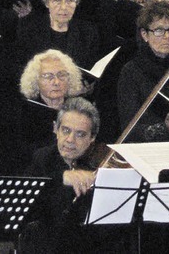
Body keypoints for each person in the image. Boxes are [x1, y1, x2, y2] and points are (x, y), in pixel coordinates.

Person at [21, 97, 112, 253]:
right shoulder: (42, 159)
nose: (70, 140)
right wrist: (61, 177)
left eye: (80, 134)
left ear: (92, 138)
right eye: (66, 130)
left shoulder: (101, 163)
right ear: (55, 129)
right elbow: (25, 202)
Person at [117, 1, 169, 143]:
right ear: (145, 35)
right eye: (159, 31)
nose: (167, 36)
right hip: (147, 149)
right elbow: (129, 128)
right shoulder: (131, 71)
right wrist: (164, 129)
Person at [14, 0, 99, 73]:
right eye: (57, 0)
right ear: (47, 3)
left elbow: (91, 70)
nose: (64, 7)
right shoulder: (30, 29)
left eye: (70, 0)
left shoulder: (88, 32)